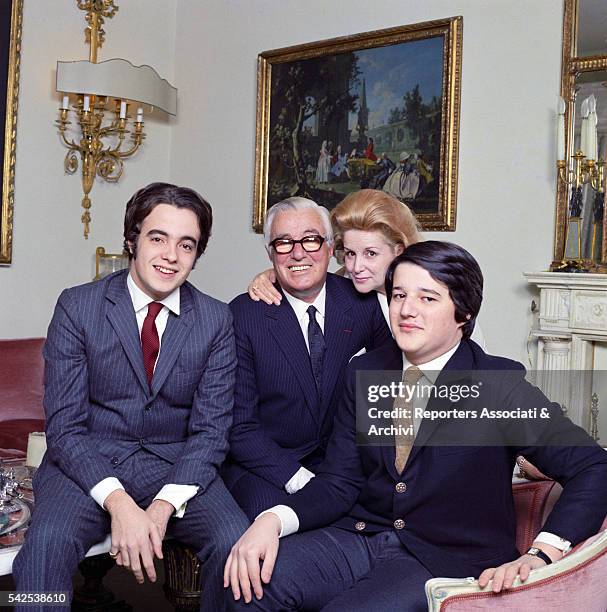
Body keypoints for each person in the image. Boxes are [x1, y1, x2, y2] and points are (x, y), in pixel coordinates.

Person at [224, 241, 607, 611]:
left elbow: (594, 466)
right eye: (399, 295)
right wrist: (272, 520)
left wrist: (544, 552)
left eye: (428, 298)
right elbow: (339, 483)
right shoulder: (365, 371)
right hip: (359, 536)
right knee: (242, 581)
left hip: (445, 558)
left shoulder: (498, 385)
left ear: (464, 312)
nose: (407, 310)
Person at [13, 183, 248, 612]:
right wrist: (119, 503)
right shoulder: (77, 306)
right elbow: (65, 427)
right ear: (132, 239)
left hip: (177, 467)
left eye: (186, 244)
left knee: (236, 543)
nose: (170, 255)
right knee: (44, 549)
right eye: (157, 238)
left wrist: (160, 510)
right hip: (87, 463)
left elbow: (212, 431)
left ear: (198, 254)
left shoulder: (215, 320)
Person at [224, 197, 391, 520]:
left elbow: (391, 390)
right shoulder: (244, 315)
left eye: (311, 240)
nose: (298, 252)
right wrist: (302, 481)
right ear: (270, 253)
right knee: (275, 535)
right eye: (284, 243)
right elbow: (239, 426)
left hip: (344, 466)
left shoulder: (364, 304)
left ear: (330, 248)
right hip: (269, 468)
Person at [248, 189, 485, 348]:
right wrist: (270, 277)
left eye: (371, 254)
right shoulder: (346, 289)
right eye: (350, 253)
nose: (356, 267)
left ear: (399, 250)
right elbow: (302, 274)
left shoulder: (441, 300)